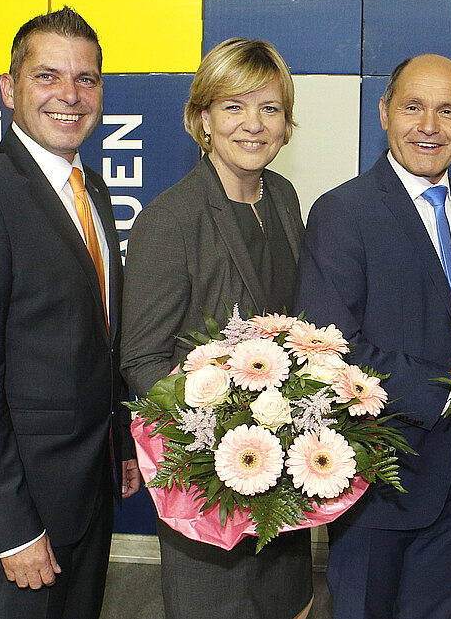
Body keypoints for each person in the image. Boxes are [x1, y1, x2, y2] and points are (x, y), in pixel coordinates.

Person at [0, 7, 141, 619]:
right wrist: (9, 526)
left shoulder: (93, 190)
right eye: (47, 76)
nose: (70, 95)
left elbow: (95, 338)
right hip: (18, 515)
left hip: (87, 495)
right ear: (8, 88)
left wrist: (119, 441)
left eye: (86, 79)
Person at [120, 37, 313, 619]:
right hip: (209, 487)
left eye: (269, 108)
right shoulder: (170, 218)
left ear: (285, 124)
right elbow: (141, 359)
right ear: (203, 118)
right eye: (234, 106)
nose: (253, 124)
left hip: (284, 484)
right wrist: (218, 428)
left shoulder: (283, 199)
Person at [295, 53, 451, 619]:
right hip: (378, 482)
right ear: (384, 112)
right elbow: (330, 350)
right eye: (413, 107)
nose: (429, 126)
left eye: (447, 110)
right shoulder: (343, 211)